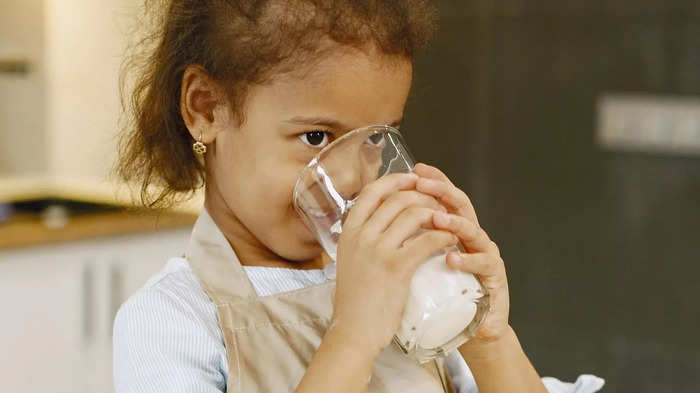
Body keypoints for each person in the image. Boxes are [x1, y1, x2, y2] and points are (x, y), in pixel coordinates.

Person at [113, 1, 605, 392]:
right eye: (316, 137)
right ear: (206, 107)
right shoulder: (171, 321)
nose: (353, 177)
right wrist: (352, 337)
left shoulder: (407, 286)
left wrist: (490, 341)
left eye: (376, 138)